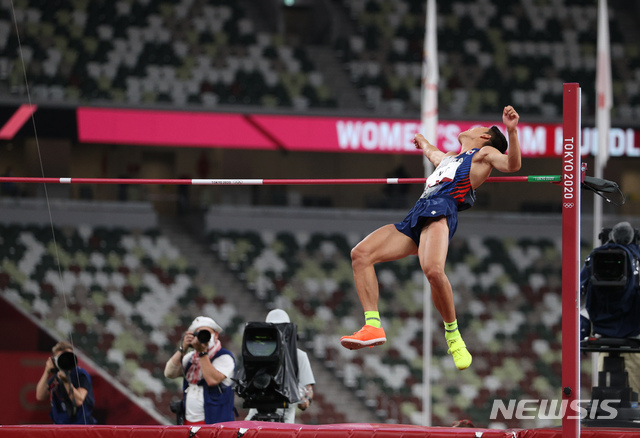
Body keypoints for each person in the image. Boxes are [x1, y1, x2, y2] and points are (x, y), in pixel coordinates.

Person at [340, 106, 522, 371]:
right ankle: (373, 325)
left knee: (433, 271)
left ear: (484, 137)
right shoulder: (449, 157)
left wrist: (512, 131)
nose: (469, 127)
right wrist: (423, 141)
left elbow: (513, 165)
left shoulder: (484, 153)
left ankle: (453, 336)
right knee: (361, 254)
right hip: (417, 214)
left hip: (441, 210)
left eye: (476, 127)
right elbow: (433, 154)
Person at [581, 221, 640, 395]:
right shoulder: (637, 256)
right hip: (633, 333)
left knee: (610, 394)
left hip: (604, 332)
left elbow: (578, 287)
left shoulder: (596, 255)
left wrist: (583, 332)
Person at [245, 309, 315, 423]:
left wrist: (304, 399)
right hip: (255, 419)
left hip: (284, 422)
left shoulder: (299, 356)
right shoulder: (256, 355)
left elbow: (308, 389)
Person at [164, 316, 236, 425]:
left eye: (207, 333)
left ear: (216, 335)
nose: (203, 337)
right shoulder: (190, 358)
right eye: (199, 334)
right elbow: (169, 373)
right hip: (189, 421)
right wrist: (182, 349)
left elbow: (212, 380)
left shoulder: (224, 357)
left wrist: (202, 352)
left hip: (216, 423)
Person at [35, 341, 97, 424]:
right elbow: (40, 396)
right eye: (61, 358)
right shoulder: (55, 377)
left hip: (81, 426)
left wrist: (65, 381)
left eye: (68, 357)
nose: (65, 361)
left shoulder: (81, 374)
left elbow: (78, 401)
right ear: (54, 361)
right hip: (59, 427)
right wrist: (46, 371)